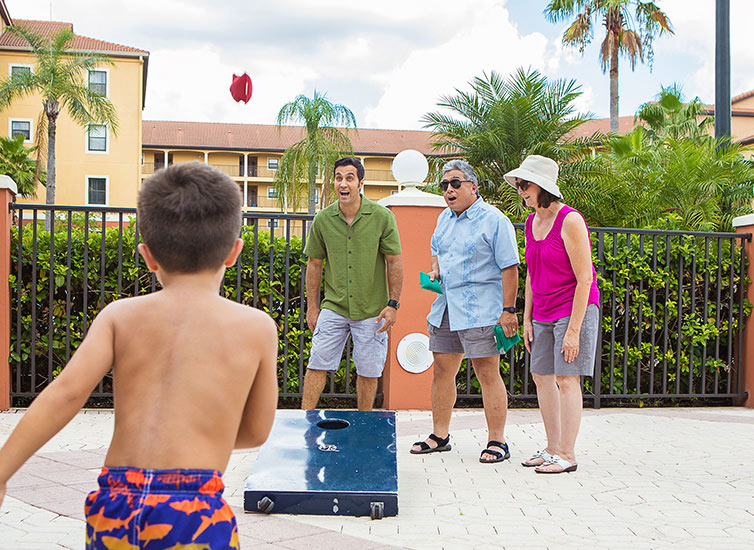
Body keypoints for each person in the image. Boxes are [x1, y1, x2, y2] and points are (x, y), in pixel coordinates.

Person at [0, 161, 279, 548]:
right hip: (193, 509)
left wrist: (2, 473)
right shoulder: (256, 327)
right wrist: (199, 433)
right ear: (234, 251)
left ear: (147, 256)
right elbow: (256, 431)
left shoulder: (119, 316)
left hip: (116, 501)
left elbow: (65, 394)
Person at [411, 160, 519, 463]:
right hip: (445, 307)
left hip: (481, 310)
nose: (449, 190)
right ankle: (440, 435)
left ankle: (498, 442)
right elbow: (436, 249)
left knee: (487, 373)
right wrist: (434, 269)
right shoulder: (444, 219)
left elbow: (510, 268)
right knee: (442, 371)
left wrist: (508, 311)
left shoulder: (494, 220)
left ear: (473, 186)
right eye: (444, 185)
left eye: (455, 183)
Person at [504, 155, 600, 474]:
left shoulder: (570, 220)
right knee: (541, 376)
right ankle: (551, 448)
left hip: (574, 308)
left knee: (567, 378)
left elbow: (585, 278)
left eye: (525, 184)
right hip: (542, 310)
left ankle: (567, 455)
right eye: (519, 185)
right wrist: (527, 317)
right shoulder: (532, 222)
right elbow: (532, 273)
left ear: (543, 186)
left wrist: (573, 331)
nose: (521, 191)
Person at [302, 157, 403, 411]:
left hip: (372, 309)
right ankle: (303, 419)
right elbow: (314, 264)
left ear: (360, 183)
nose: (343, 183)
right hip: (333, 307)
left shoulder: (382, 217)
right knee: (317, 363)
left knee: (369, 369)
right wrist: (312, 307)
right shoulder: (323, 220)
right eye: (338, 178)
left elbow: (394, 262)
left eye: (349, 177)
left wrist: (393, 304)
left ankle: (364, 423)